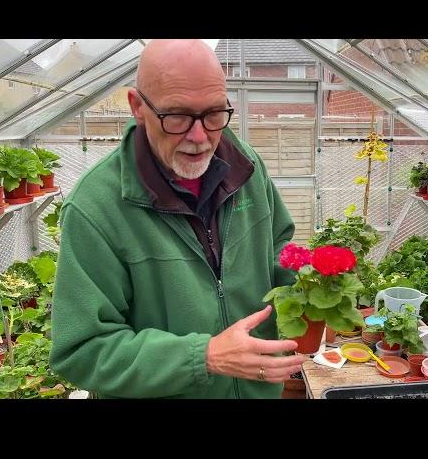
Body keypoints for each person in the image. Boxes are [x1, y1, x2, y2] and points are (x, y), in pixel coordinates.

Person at [49, 39, 305, 398]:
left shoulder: (245, 168)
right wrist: (204, 357)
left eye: (215, 113)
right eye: (177, 117)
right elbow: (82, 350)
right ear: (137, 107)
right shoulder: (97, 207)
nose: (200, 137)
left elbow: (279, 246)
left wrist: (312, 286)